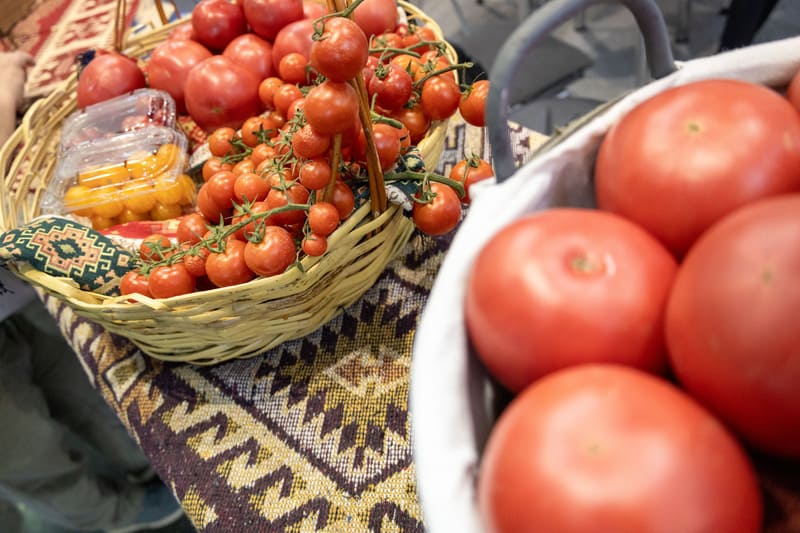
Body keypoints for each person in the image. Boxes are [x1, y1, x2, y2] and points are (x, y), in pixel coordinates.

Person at [0, 51, 185, 532]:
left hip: (12, 295)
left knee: (72, 375)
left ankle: (143, 463)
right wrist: (6, 87)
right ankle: (112, 514)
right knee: (24, 449)